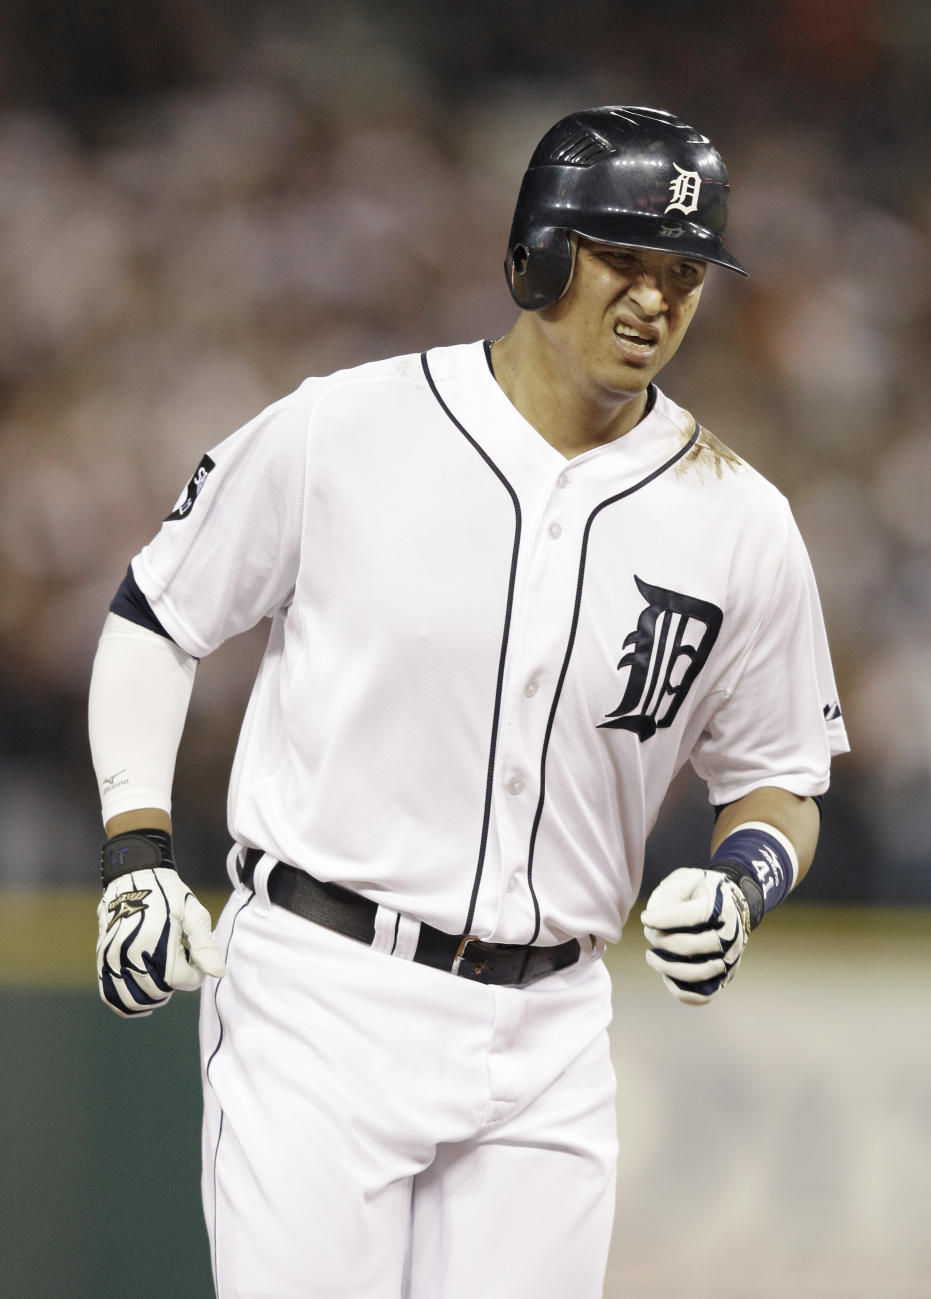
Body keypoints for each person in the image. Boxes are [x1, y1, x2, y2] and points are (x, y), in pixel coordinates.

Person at [89, 105, 849, 1298]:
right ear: (539, 252)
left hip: (550, 1031)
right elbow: (156, 617)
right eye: (625, 258)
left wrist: (745, 877)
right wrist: (136, 849)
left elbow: (783, 775)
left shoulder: (740, 518)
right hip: (321, 995)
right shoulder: (347, 426)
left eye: (684, 273)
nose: (656, 299)